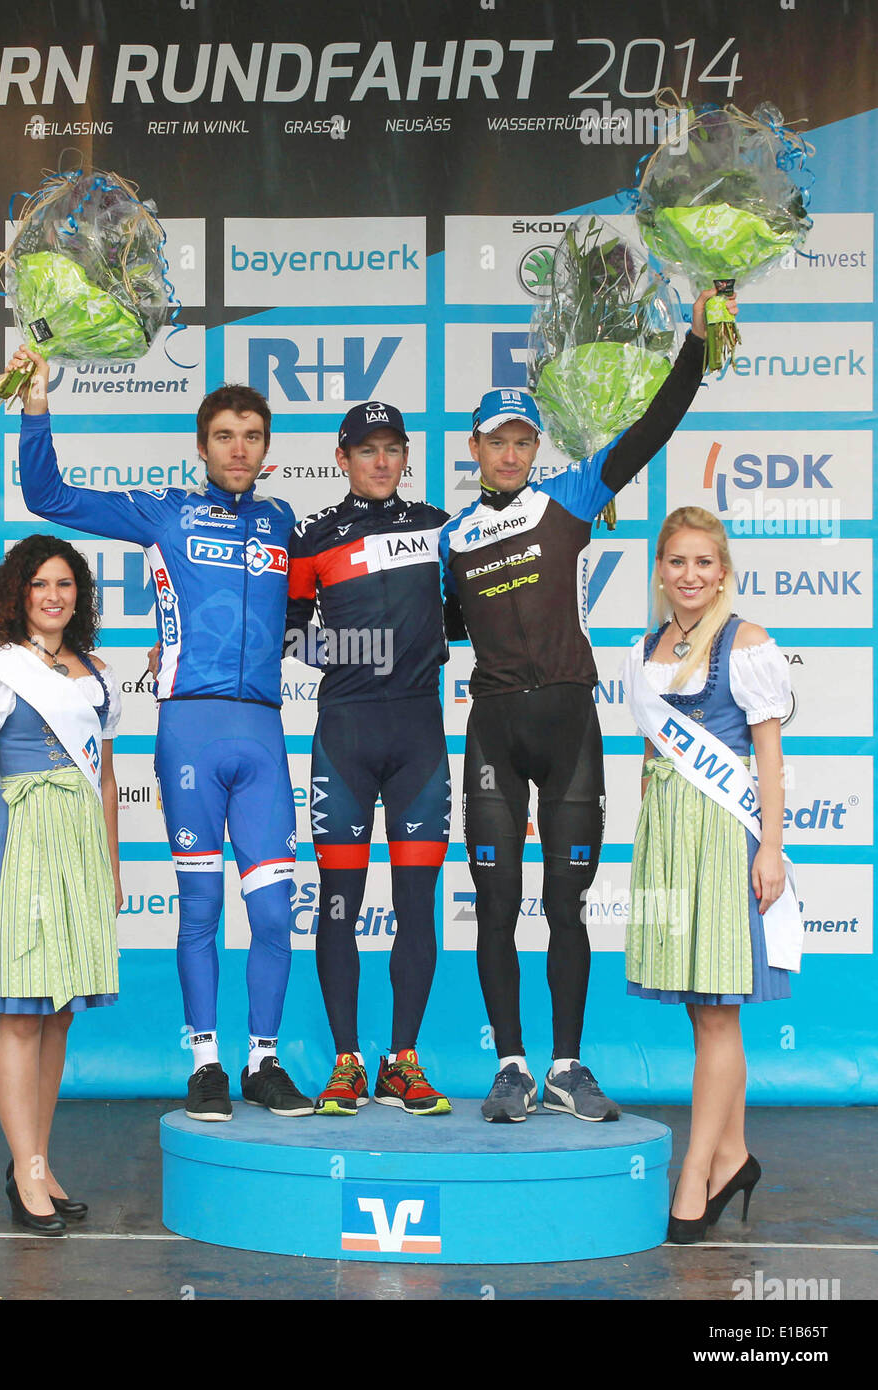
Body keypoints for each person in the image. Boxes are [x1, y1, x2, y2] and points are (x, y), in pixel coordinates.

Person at [440, 290, 732, 1124]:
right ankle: (510, 1067)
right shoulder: (450, 537)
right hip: (492, 730)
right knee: (495, 907)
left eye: (522, 438)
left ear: (536, 446)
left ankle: (567, 1066)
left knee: (566, 905)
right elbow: (427, 626)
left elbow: (653, 427)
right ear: (475, 446)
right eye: (497, 438)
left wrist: (695, 342)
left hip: (569, 725)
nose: (510, 451)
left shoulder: (569, 497)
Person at [7, 345, 312, 1122]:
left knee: (275, 915)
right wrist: (36, 402)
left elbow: (323, 602)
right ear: (201, 445)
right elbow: (47, 494)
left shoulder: (285, 522)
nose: (238, 448)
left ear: (266, 449)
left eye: (251, 436)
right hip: (189, 733)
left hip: (264, 738)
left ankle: (264, 1061)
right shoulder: (165, 513)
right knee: (200, 908)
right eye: (223, 435)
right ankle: (206, 1061)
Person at [622, 507, 800, 1243]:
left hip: (725, 833)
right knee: (699, 1007)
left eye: (703, 562)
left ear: (722, 571)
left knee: (720, 1008)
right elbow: (649, 757)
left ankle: (695, 1171)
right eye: (676, 562)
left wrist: (770, 849)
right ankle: (732, 1154)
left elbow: (766, 757)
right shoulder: (645, 647)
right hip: (668, 833)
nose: (689, 576)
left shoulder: (748, 643)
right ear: (659, 573)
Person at [0, 535, 123, 1236]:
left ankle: (39, 1159)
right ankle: (24, 1170)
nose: (54, 596)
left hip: (78, 841)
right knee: (21, 1009)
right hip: (19, 837)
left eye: (66, 584)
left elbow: (106, 778)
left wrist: (110, 864)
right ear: (18, 593)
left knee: (59, 1013)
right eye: (40, 584)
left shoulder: (96, 672)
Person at [285, 402, 452, 1116]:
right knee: (338, 905)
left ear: (406, 457)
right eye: (366, 450)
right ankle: (347, 1062)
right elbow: (290, 636)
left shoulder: (441, 526)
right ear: (341, 457)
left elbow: (476, 609)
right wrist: (368, 652)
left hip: (420, 738)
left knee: (417, 906)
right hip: (345, 738)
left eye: (392, 449)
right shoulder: (312, 536)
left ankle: (402, 1061)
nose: (380, 462)